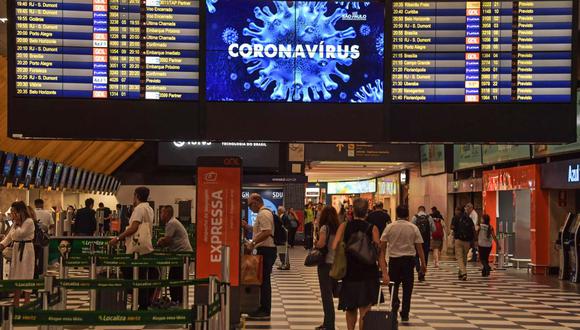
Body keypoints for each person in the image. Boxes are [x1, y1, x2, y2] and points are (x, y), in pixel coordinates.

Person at [332, 198, 387, 330]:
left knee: (350, 308)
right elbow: (379, 253)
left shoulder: (344, 226)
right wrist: (384, 272)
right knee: (365, 309)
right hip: (368, 273)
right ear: (367, 212)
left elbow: (335, 246)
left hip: (350, 272)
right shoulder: (372, 228)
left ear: (352, 211)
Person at [109, 187, 159, 310]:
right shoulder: (149, 208)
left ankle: (139, 302)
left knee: (131, 274)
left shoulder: (139, 209)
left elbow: (134, 228)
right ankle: (143, 303)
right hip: (146, 247)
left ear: (136, 195)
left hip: (136, 249)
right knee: (143, 276)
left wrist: (117, 239)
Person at [380, 205, 426, 323]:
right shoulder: (413, 227)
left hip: (394, 261)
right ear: (407, 214)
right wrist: (423, 263)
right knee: (407, 287)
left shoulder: (390, 227)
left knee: (393, 285)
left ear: (396, 213)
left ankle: (395, 304)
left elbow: (383, 245)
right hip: (408, 262)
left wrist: (382, 260)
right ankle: (405, 313)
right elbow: (419, 247)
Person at [244, 193, 277, 320]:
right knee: (263, 280)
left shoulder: (263, 213)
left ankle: (265, 309)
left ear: (257, 202)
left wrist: (253, 243)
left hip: (266, 250)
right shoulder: (264, 214)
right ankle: (262, 307)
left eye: (250, 205)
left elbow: (267, 232)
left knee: (264, 281)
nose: (250, 207)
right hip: (266, 250)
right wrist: (248, 227)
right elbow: (260, 230)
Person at [0, 201, 36, 306]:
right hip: (16, 250)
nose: (13, 214)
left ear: (21, 211)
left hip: (26, 250)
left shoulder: (29, 221)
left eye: (14, 212)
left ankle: (26, 303)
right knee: (16, 274)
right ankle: (15, 303)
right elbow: (9, 237)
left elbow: (19, 234)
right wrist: (2, 245)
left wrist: (17, 225)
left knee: (26, 274)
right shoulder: (16, 223)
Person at [157, 205, 193, 304]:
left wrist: (159, 241)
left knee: (174, 278)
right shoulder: (171, 222)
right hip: (181, 254)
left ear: (167, 213)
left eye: (162, 212)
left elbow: (167, 240)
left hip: (182, 254)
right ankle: (178, 300)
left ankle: (176, 300)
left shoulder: (171, 223)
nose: (160, 215)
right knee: (177, 277)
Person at [315, 206, 339, 330]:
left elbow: (322, 244)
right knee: (329, 294)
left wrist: (316, 243)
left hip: (325, 265)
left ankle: (329, 325)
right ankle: (327, 323)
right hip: (336, 264)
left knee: (326, 296)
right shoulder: (339, 229)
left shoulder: (325, 228)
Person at [411, 206, 436, 281]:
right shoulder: (429, 217)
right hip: (426, 240)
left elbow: (411, 228)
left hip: (417, 240)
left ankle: (418, 268)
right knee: (425, 255)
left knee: (416, 255)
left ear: (418, 210)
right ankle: (423, 272)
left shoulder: (415, 217)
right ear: (424, 210)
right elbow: (434, 229)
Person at [451, 206, 475, 281]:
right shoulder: (469, 218)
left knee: (460, 257)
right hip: (467, 241)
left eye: (456, 209)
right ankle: (460, 274)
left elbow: (452, 227)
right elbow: (473, 229)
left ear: (458, 210)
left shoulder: (455, 218)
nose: (455, 211)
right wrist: (473, 240)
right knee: (464, 258)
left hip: (458, 240)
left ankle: (464, 272)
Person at [276, 206, 290, 270]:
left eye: (278, 210)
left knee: (284, 251)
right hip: (280, 237)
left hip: (283, 237)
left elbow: (287, 227)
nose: (277, 211)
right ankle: (283, 263)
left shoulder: (285, 217)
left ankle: (285, 264)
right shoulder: (281, 217)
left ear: (281, 211)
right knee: (281, 250)